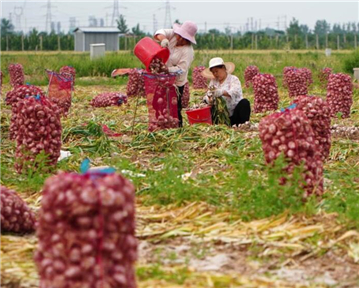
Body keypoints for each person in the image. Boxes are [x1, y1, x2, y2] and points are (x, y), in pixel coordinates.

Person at [154, 21, 198, 127]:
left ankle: (178, 129)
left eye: (183, 37)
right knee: (158, 104)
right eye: (179, 35)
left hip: (177, 83)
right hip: (162, 79)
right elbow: (159, 32)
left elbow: (181, 69)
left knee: (175, 107)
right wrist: (164, 39)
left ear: (187, 39)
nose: (179, 38)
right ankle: (161, 125)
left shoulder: (188, 51)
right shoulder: (173, 35)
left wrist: (167, 69)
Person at [201, 57, 251, 126]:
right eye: (213, 72)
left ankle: (242, 125)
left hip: (234, 115)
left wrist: (222, 92)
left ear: (224, 68)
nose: (215, 74)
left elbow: (235, 92)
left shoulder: (233, 79)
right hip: (220, 116)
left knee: (244, 103)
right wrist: (210, 98)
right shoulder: (213, 82)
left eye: (217, 71)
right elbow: (208, 95)